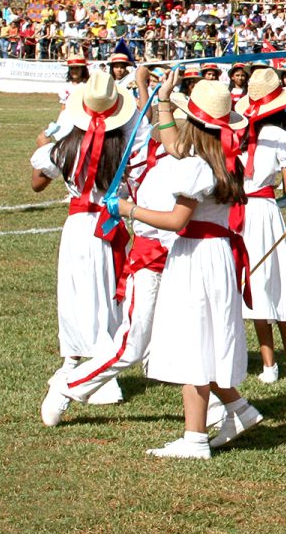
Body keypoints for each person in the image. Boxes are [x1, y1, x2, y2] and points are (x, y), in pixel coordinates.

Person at [116, 77, 262, 458]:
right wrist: (164, 100)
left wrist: (129, 209)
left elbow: (177, 220)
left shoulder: (198, 166)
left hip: (196, 255)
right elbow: (173, 145)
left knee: (193, 341)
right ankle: (240, 410)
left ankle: (194, 438)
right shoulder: (221, 159)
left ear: (195, 126)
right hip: (214, 255)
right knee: (208, 336)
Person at [30, 71, 134, 400]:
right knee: (103, 292)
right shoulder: (123, 146)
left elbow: (37, 182)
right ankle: (78, 359)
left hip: (80, 226)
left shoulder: (65, 147)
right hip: (107, 224)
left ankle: (96, 370)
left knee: (78, 292)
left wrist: (45, 146)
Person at [235, 69, 286, 383]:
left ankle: (269, 367)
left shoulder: (239, 136)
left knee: (255, 282)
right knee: (279, 281)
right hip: (266, 214)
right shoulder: (283, 139)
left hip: (241, 214)